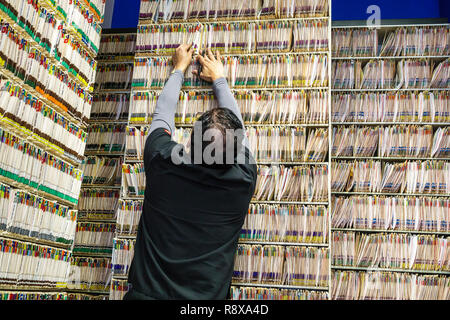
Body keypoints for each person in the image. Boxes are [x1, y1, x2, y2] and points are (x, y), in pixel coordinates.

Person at [124, 44, 257, 300]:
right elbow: (240, 133)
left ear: (188, 144)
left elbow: (162, 119)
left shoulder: (162, 160)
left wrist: (178, 70)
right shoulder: (243, 180)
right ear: (236, 154)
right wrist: (219, 79)